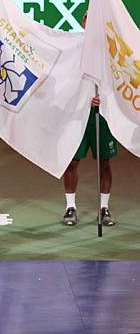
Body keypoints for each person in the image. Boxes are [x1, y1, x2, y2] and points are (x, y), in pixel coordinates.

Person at [61, 13, 117, 227]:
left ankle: (104, 208)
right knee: (72, 161)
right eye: (87, 18)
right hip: (78, 115)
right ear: (84, 22)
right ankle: (70, 207)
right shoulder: (74, 48)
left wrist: (103, 98)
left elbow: (117, 82)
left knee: (105, 162)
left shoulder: (111, 51)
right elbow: (66, 80)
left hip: (103, 115)